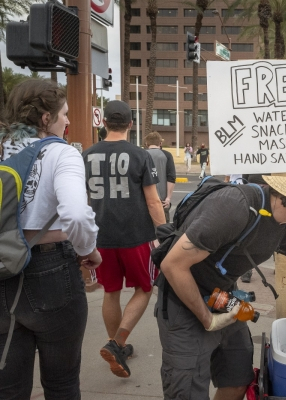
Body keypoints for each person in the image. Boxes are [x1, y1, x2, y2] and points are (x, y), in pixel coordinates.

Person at [156, 151, 286, 400]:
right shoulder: (235, 207)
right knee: (186, 390)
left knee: (238, 379)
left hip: (224, 297)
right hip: (183, 299)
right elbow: (173, 266)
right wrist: (208, 319)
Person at [0, 79, 101, 399]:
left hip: (3, 269)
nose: (68, 121)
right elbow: (75, 214)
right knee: (61, 383)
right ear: (46, 117)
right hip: (51, 269)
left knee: (9, 387)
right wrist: (88, 250)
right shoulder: (61, 154)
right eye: (64, 114)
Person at [83, 100, 166, 378]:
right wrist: (164, 234)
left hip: (100, 235)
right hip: (135, 235)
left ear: (103, 123)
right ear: (131, 124)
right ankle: (118, 343)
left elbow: (82, 199)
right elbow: (154, 202)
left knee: (111, 291)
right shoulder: (140, 155)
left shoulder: (87, 155)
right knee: (144, 288)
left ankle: (117, 346)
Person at [145, 132, 176, 223]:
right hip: (162, 202)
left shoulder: (141, 154)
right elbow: (171, 177)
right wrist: (168, 198)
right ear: (160, 143)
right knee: (163, 232)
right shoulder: (167, 155)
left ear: (147, 144)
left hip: (144, 201)